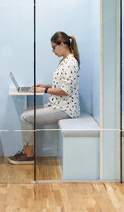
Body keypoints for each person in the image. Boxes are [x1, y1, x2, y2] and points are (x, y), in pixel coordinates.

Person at [9, 31, 80, 165]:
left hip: (65, 109)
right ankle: (25, 151)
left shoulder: (71, 62)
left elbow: (66, 90)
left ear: (63, 44)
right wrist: (45, 85)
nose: (53, 51)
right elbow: (62, 84)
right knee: (25, 113)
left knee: (25, 117)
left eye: (54, 47)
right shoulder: (65, 61)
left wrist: (44, 90)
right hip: (57, 105)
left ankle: (28, 155)